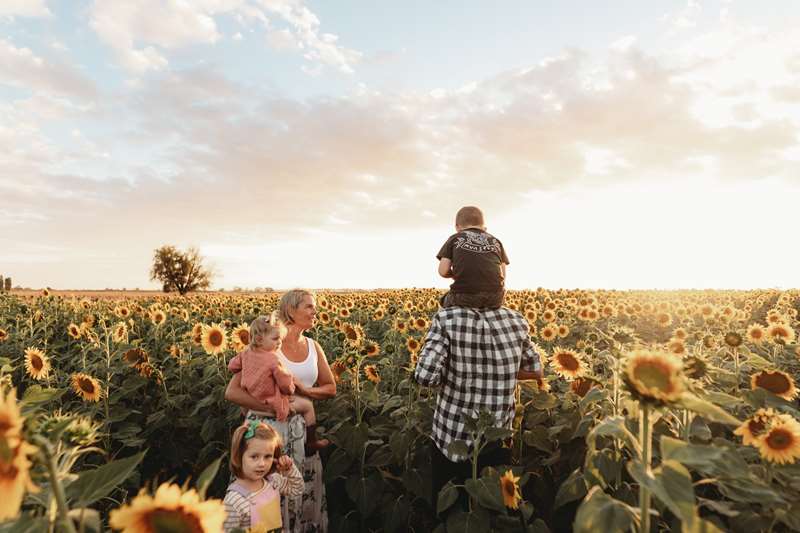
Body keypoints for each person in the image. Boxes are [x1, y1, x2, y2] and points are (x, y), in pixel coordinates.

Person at [225, 289, 336, 532]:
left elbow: (330, 387)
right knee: (268, 496)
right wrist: (274, 408)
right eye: (308, 306)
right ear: (290, 311)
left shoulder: (313, 346)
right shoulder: (267, 344)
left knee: (302, 491)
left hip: (302, 433)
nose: (314, 311)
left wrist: (306, 394)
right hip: (267, 432)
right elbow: (232, 392)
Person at [413, 304, 543, 505]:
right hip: (495, 437)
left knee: (449, 507)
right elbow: (535, 371)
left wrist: (453, 372)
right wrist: (500, 371)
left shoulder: (447, 318)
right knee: (490, 507)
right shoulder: (515, 320)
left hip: (452, 438)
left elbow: (425, 376)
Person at [228, 313, 329, 454]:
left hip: (252, 399)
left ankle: (249, 429)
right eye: (276, 339)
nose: (279, 343)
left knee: (246, 415)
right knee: (307, 406)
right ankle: (311, 442)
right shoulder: (273, 359)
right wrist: (291, 388)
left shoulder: (245, 353)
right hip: (272, 401)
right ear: (258, 339)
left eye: (280, 339)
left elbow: (232, 365)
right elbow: (284, 384)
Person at [223, 421, 304, 532]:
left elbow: (297, 489)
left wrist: (288, 469)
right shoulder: (235, 500)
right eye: (254, 456)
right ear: (239, 456)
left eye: (267, 456)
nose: (262, 463)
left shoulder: (273, 481)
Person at [437, 205, 509, 309]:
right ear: (484, 227)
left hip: (464, 296)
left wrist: (454, 274)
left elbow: (442, 271)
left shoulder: (455, 238)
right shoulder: (496, 241)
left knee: (443, 301)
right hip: (496, 297)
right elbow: (503, 275)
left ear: (457, 226)